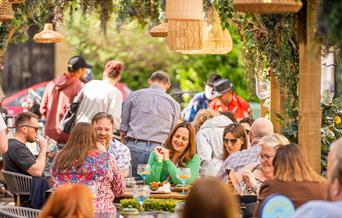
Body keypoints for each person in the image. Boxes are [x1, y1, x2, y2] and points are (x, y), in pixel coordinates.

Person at [51, 123, 125, 216]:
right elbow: (120, 189)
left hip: (66, 211)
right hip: (99, 212)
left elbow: (54, 181)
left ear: (72, 136)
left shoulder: (59, 157)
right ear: (94, 138)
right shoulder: (107, 158)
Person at [120, 71, 181, 177]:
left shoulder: (134, 95)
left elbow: (123, 128)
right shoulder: (174, 104)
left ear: (150, 81)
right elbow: (172, 132)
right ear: (168, 85)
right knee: (153, 187)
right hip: (158, 150)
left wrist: (124, 146)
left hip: (134, 146)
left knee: (131, 187)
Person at [254, 144, 327, 217]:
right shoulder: (323, 186)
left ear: (276, 164)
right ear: (304, 162)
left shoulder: (271, 187)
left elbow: (259, 214)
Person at [40, 56, 92, 144]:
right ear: (80, 70)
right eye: (84, 70)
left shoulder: (52, 83)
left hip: (49, 134)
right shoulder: (79, 86)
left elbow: (43, 109)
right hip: (67, 136)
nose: (85, 73)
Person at [221, 134, 289, 193]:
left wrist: (255, 186)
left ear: (281, 156)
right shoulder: (253, 167)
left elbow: (276, 202)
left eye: (267, 156)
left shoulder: (287, 178)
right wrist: (231, 188)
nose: (262, 160)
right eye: (261, 156)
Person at [76, 60, 123, 129]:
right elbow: (114, 120)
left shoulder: (90, 84)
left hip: (77, 128)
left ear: (104, 73)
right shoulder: (116, 94)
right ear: (119, 78)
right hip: (94, 133)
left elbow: (76, 103)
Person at [3, 112, 47, 176]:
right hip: (32, 185)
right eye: (36, 129)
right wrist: (43, 149)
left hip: (33, 184)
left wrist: (46, 154)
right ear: (24, 129)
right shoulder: (16, 147)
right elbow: (37, 172)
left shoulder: (14, 144)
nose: (37, 132)